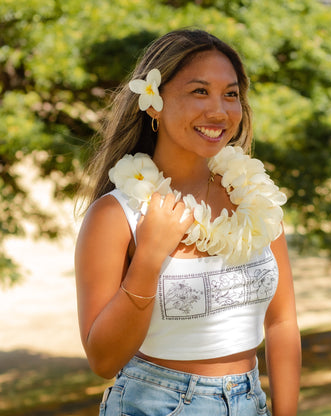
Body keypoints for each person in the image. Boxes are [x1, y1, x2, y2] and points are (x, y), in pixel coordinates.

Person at [75, 28, 301, 416]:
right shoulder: (117, 214)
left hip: (251, 403)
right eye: (199, 91)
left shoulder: (255, 198)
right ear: (153, 103)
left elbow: (281, 322)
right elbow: (103, 361)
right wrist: (149, 256)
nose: (219, 111)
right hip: (154, 405)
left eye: (230, 94)